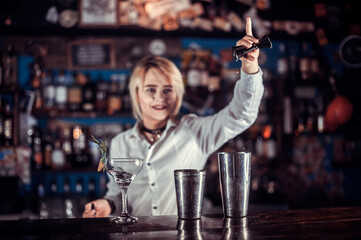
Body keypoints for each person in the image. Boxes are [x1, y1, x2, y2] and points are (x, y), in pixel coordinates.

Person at [82, 17, 264, 218]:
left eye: (167, 90)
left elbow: (241, 115)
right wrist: (107, 205)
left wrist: (250, 66)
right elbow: (118, 195)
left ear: (176, 94)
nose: (159, 97)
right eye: (150, 89)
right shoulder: (120, 143)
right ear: (136, 94)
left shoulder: (194, 131)